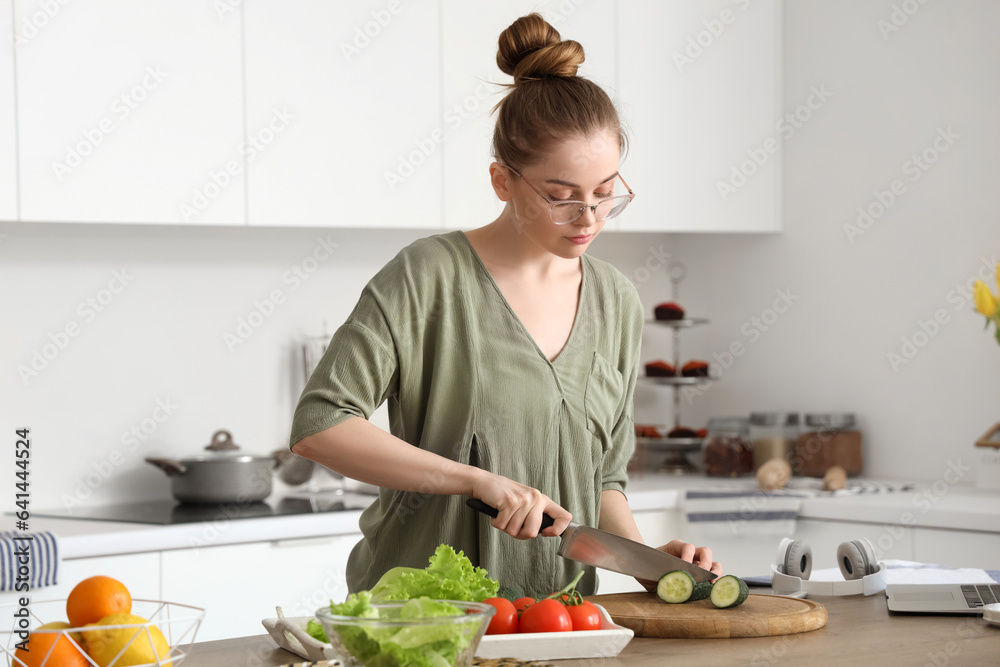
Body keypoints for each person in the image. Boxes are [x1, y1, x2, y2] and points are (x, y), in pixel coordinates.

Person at [289, 13, 722, 597]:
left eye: (605, 193)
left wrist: (649, 563)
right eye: (562, 197)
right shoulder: (429, 277)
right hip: (423, 623)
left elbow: (603, 482)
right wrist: (475, 481)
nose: (588, 218)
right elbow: (321, 426)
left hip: (562, 621)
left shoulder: (616, 300)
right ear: (502, 180)